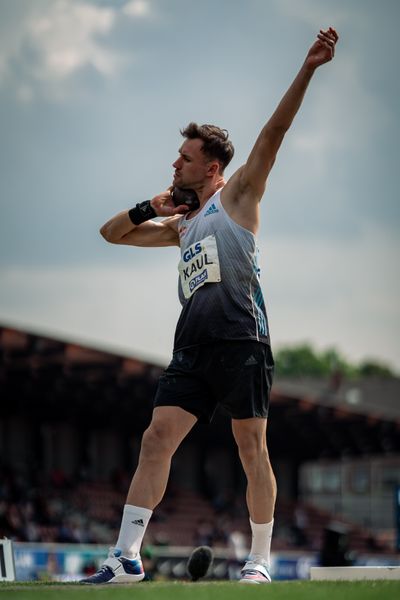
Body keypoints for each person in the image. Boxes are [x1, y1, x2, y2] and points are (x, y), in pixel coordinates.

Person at [80, 27, 338, 585]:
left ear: (212, 168)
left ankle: (259, 560)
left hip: (242, 340)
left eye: (185, 159)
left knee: (251, 446)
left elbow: (276, 131)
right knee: (156, 438)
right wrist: (151, 204)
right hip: (192, 345)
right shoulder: (181, 226)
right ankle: (125, 558)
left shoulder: (239, 195)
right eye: (176, 158)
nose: (175, 165)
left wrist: (309, 67)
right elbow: (110, 234)